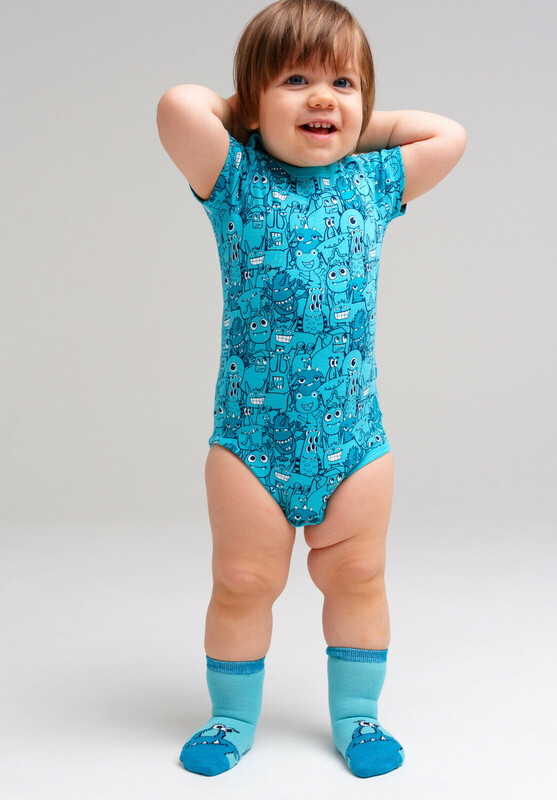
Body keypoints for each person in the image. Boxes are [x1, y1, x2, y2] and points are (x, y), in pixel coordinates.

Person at [156, 0, 466, 779]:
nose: (322, 96)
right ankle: (230, 720)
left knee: (358, 578)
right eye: (295, 80)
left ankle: (359, 716)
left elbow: (450, 135)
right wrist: (251, 116)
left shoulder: (372, 181)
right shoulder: (234, 178)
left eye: (342, 83)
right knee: (241, 582)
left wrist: (352, 122)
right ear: (253, 102)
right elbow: (177, 106)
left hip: (354, 442)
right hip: (249, 444)